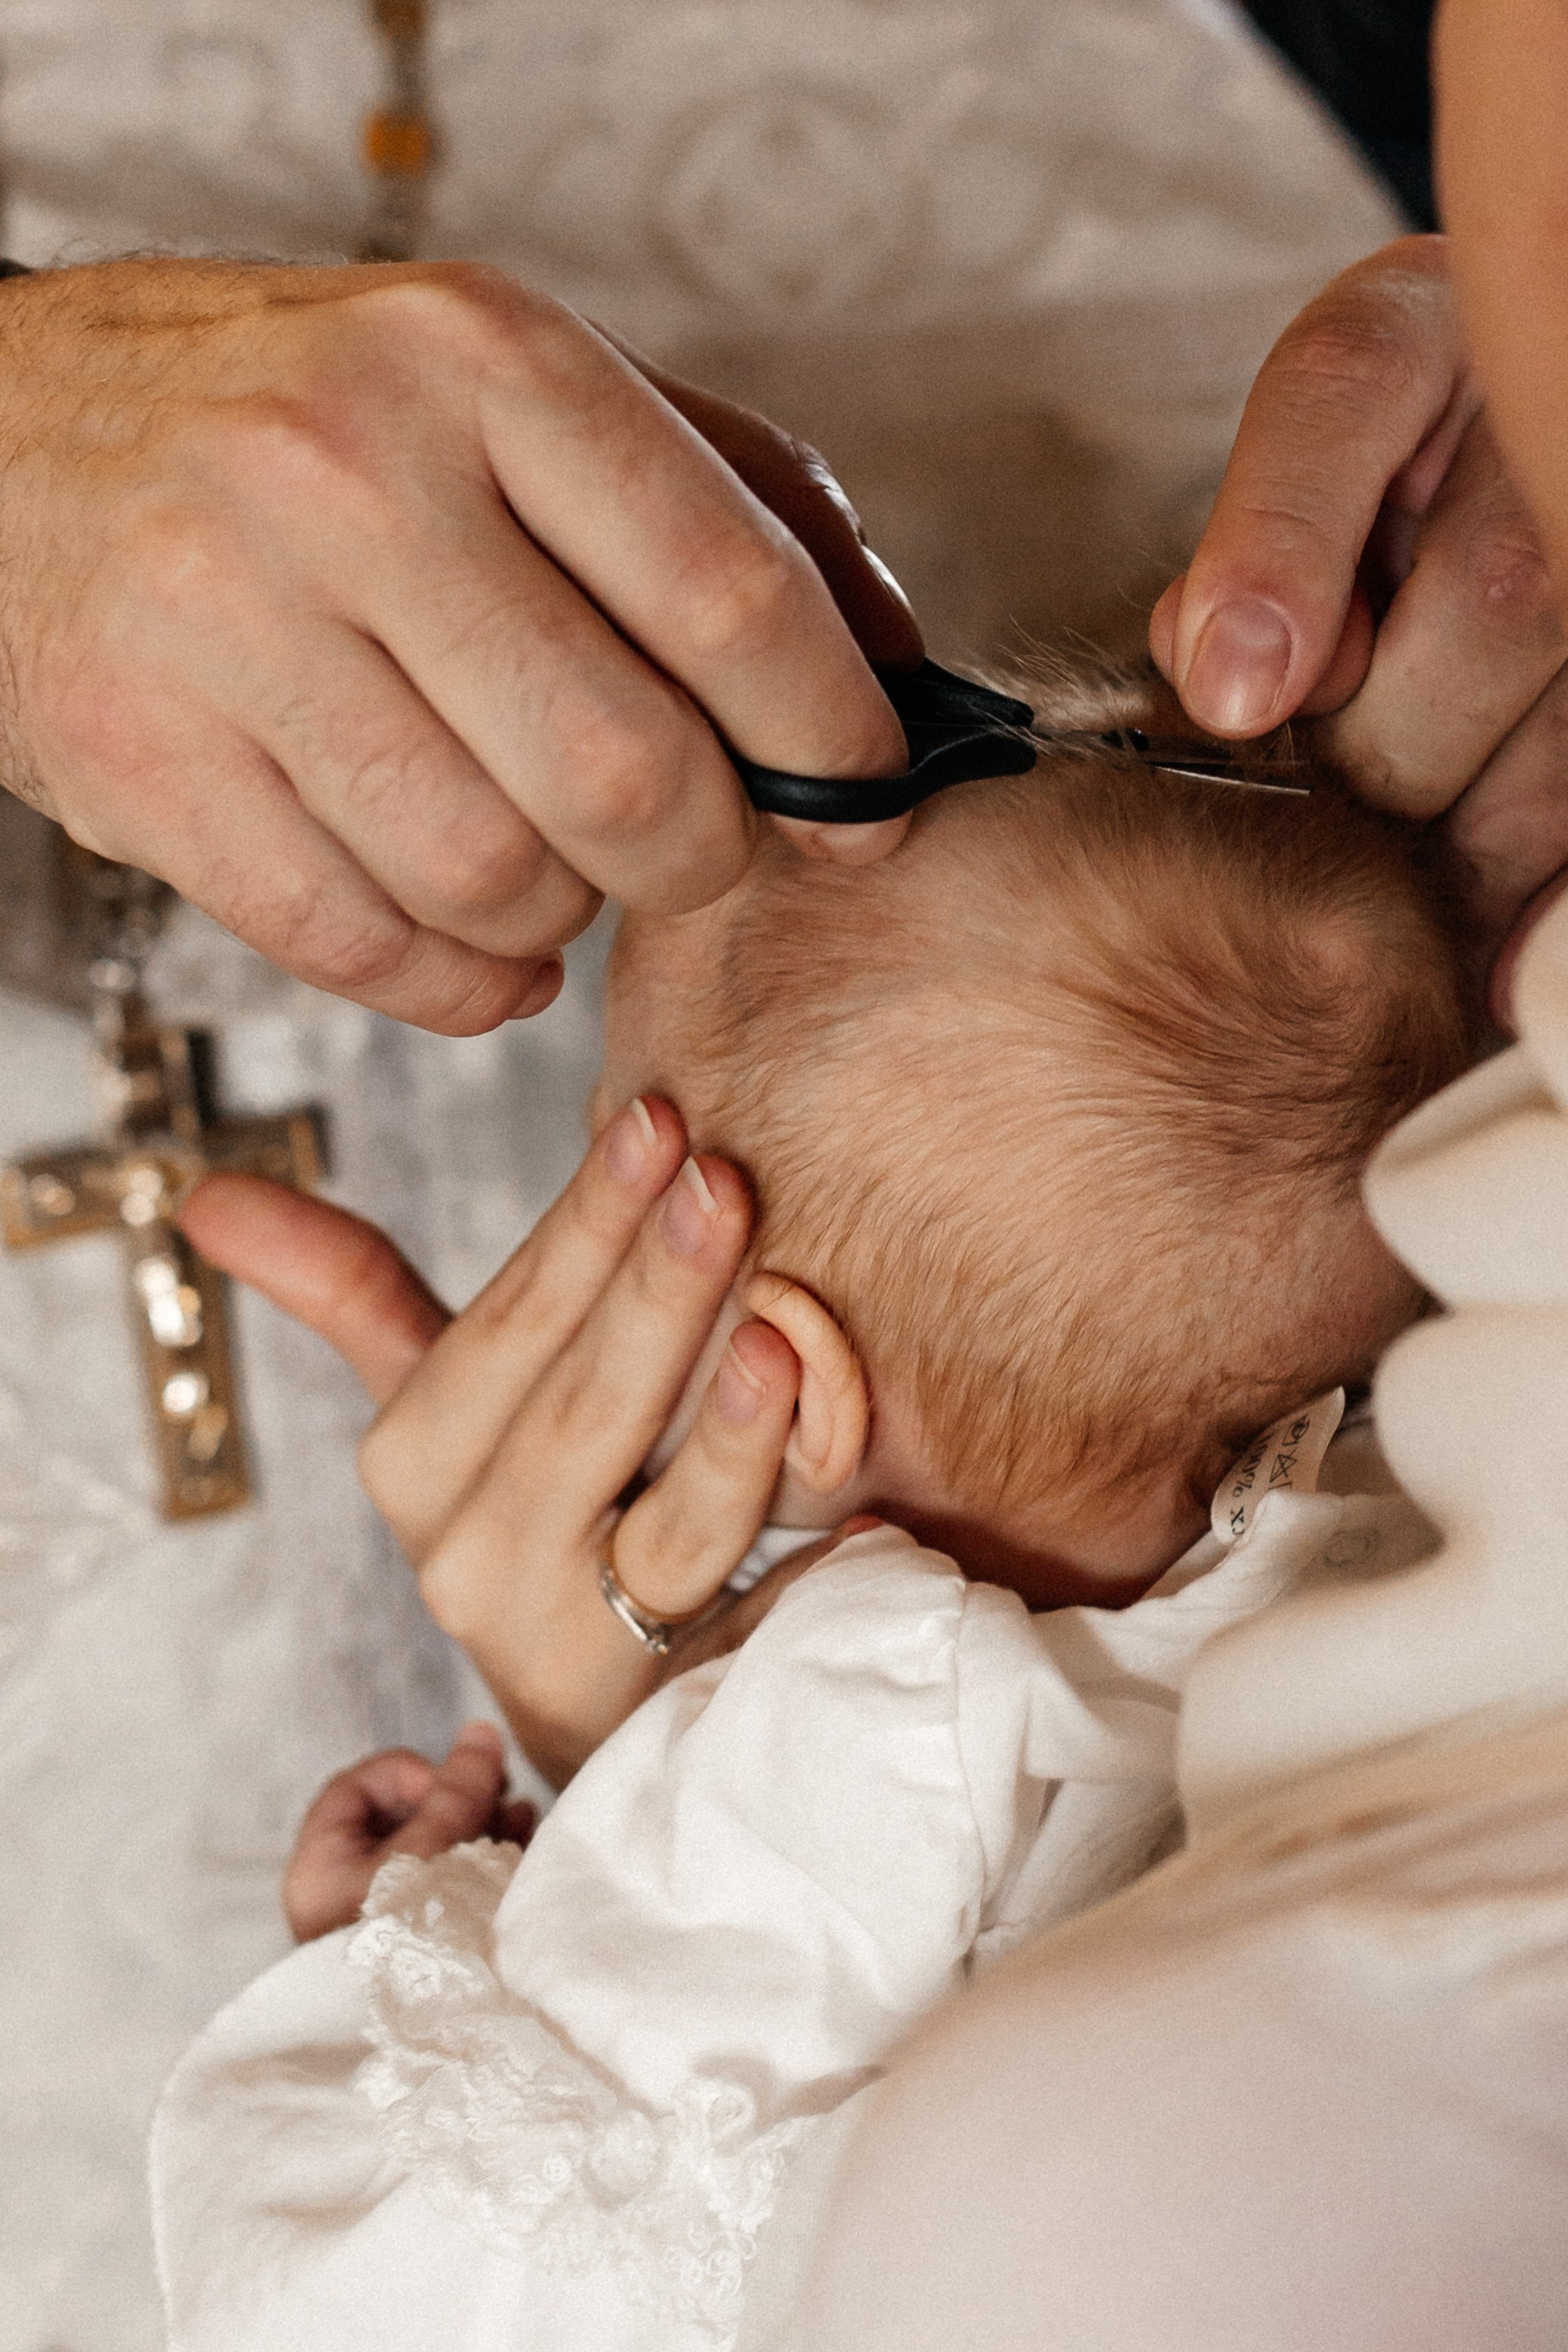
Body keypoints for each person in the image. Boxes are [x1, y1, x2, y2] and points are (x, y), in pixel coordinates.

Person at [149, 670, 1473, 2344]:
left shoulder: (850, 1720)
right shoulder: (1386, 1533)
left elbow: (518, 2265)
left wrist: (411, 1953)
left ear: (788, 1388)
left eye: (622, 1183)